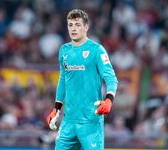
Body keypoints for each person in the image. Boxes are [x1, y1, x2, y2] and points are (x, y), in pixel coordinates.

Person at [47, 9, 118, 150]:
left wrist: (109, 100)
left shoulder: (97, 50)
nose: (73, 28)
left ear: (86, 27)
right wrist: (56, 109)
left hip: (90, 121)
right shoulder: (64, 50)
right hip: (68, 121)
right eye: (70, 25)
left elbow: (111, 78)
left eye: (78, 25)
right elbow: (63, 80)